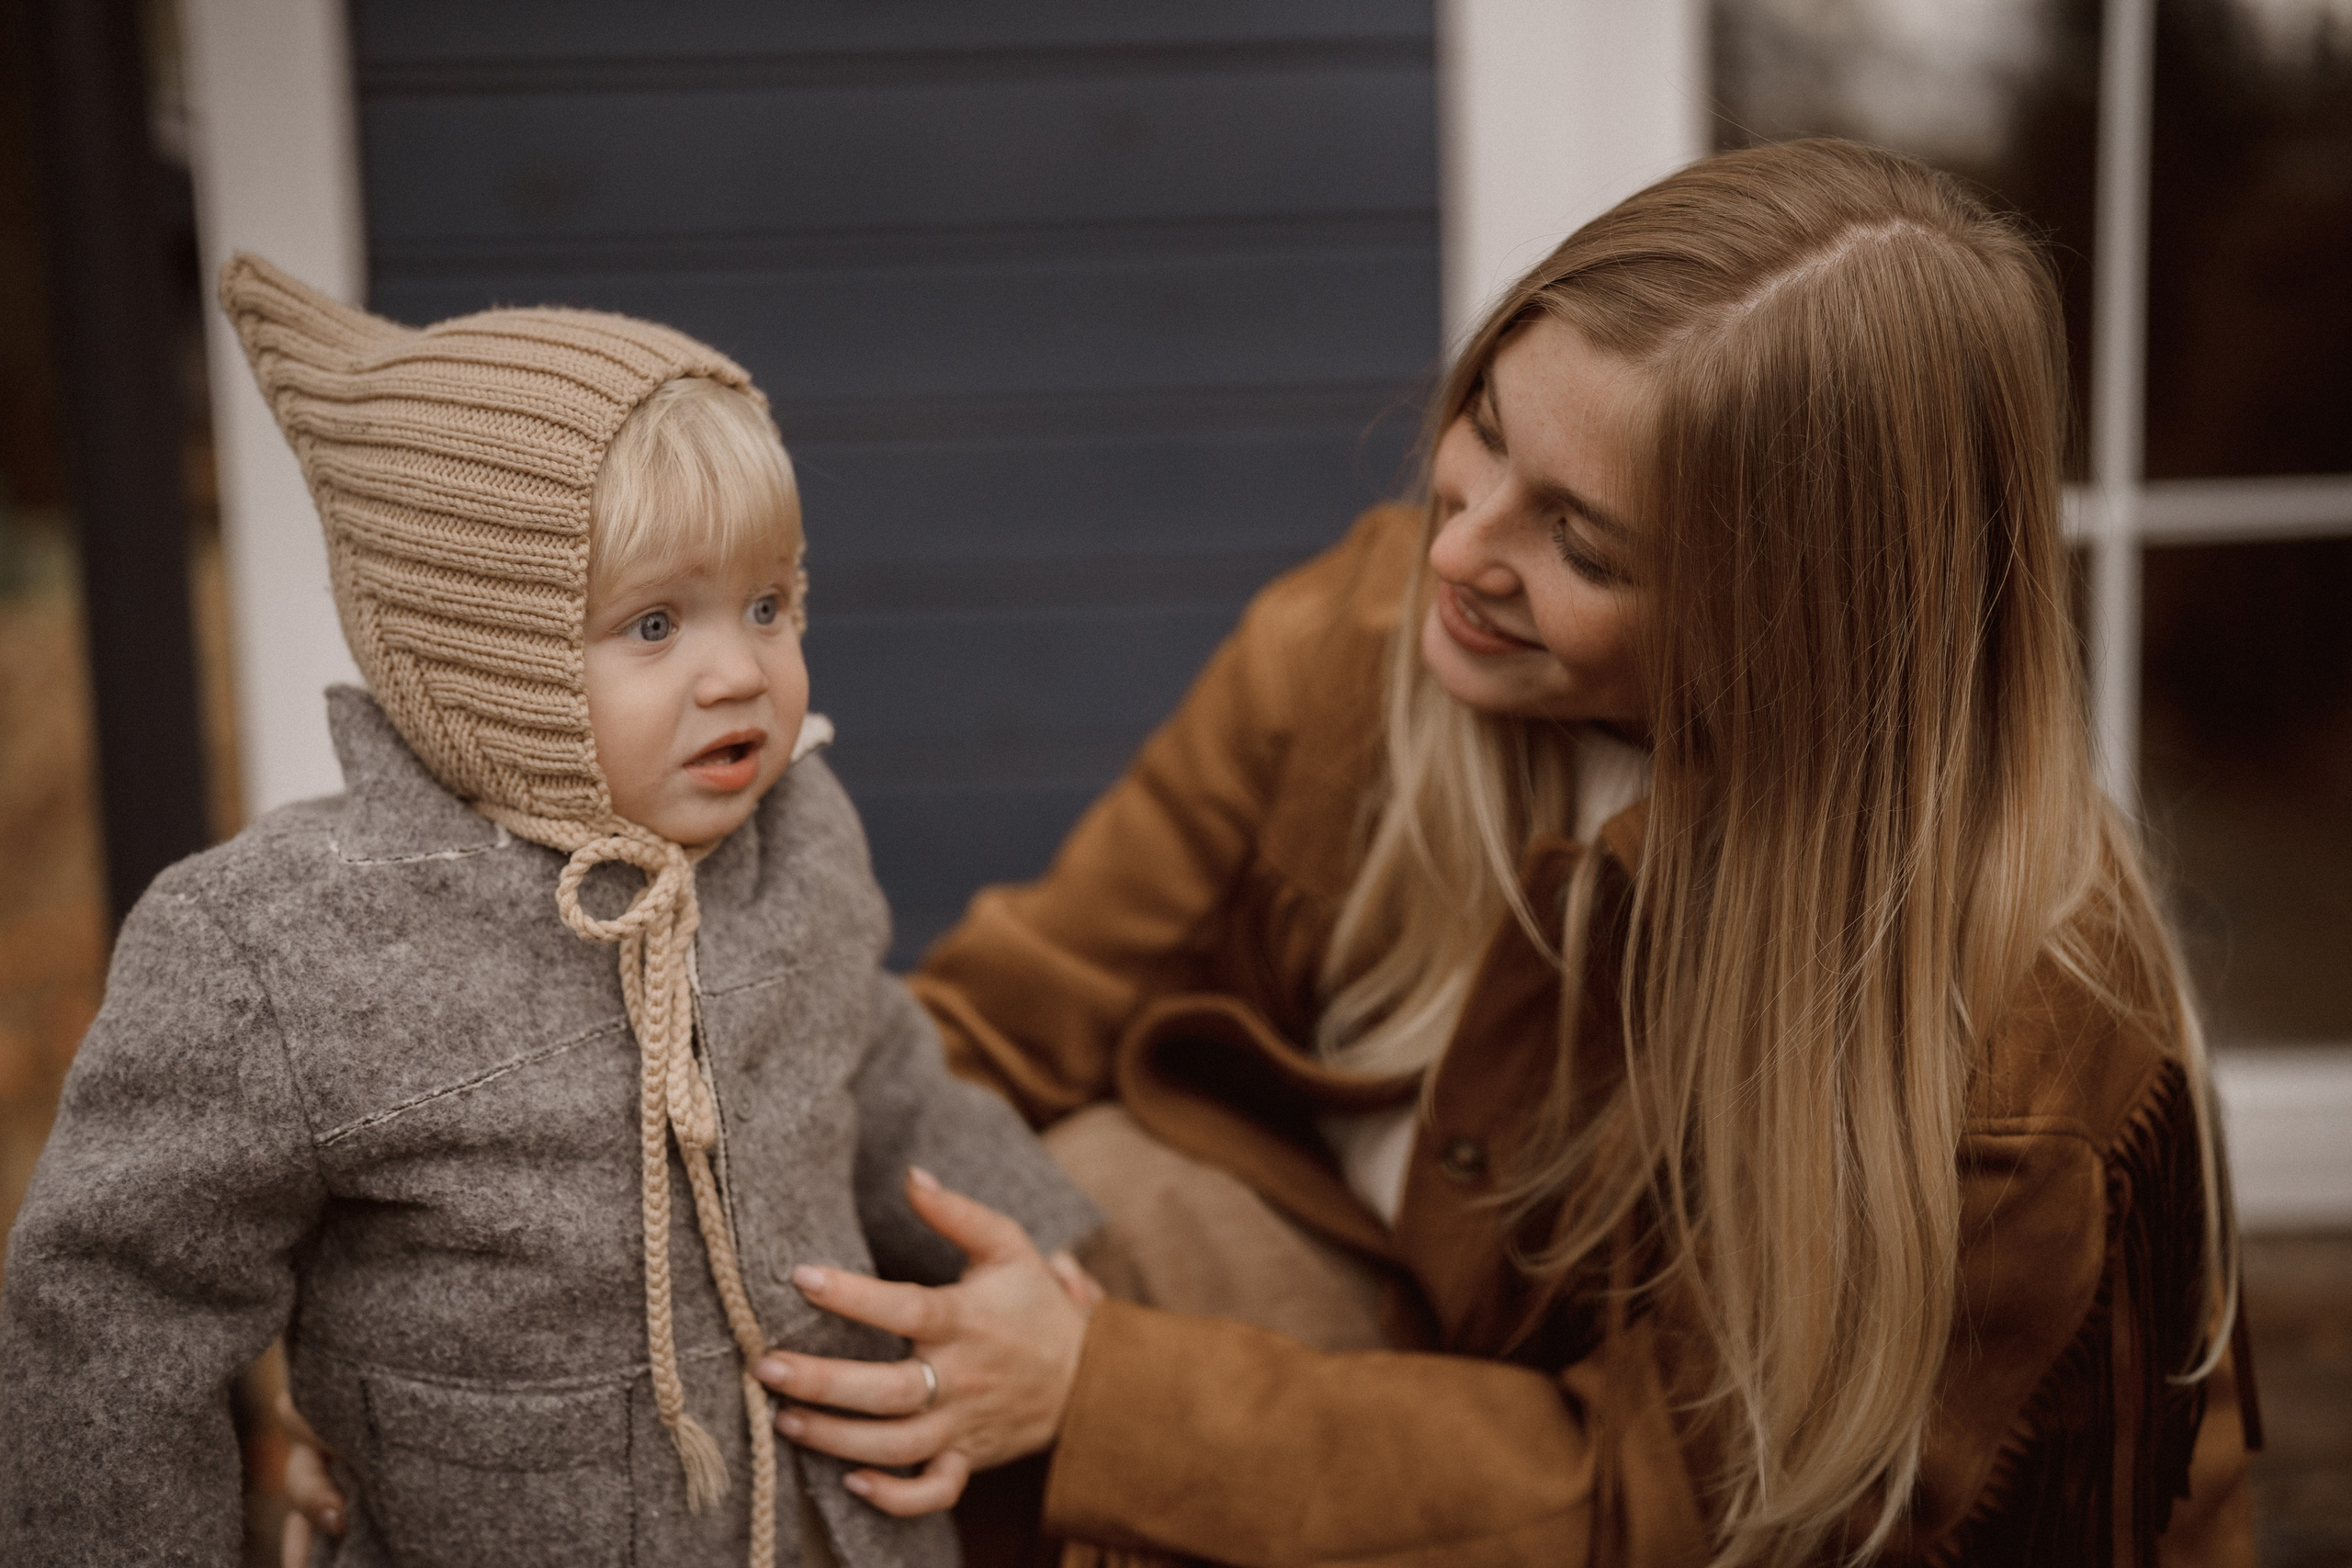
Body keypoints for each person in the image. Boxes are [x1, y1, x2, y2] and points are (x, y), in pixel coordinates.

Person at [284, 139, 2264, 1566]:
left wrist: (1107, 1402)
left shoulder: (2000, 1039)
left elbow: (1670, 1511)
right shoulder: (1364, 637)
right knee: (1025, 1203)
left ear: (1798, 627)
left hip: (1705, 1519)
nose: (1464, 541)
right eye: (1484, 429)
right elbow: (999, 1015)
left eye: (1582, 540)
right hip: (1390, 1341)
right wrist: (516, 1294)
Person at [0, 256, 1097, 1568]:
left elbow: (879, 1067)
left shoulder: (797, 839)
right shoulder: (286, 946)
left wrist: (1048, 1247)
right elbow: (115, 1311)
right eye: (655, 625)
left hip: (831, 1530)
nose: (739, 672)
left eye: (767, 605)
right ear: (483, 658)